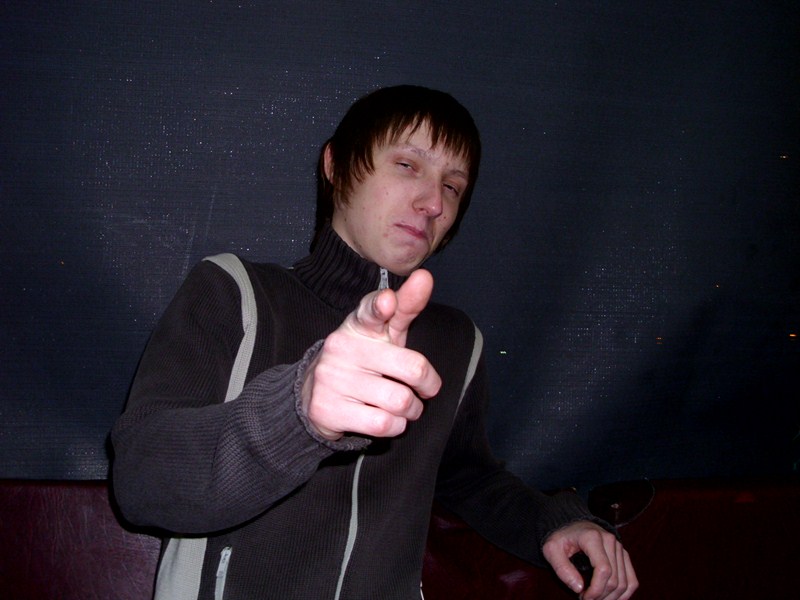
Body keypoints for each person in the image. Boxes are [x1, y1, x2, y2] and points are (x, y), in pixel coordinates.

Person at [111, 85, 637, 600]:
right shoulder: (235, 291)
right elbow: (140, 482)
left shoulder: (456, 342)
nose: (433, 202)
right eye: (407, 165)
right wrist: (295, 412)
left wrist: (554, 523)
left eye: (453, 186)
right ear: (336, 165)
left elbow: (468, 478)